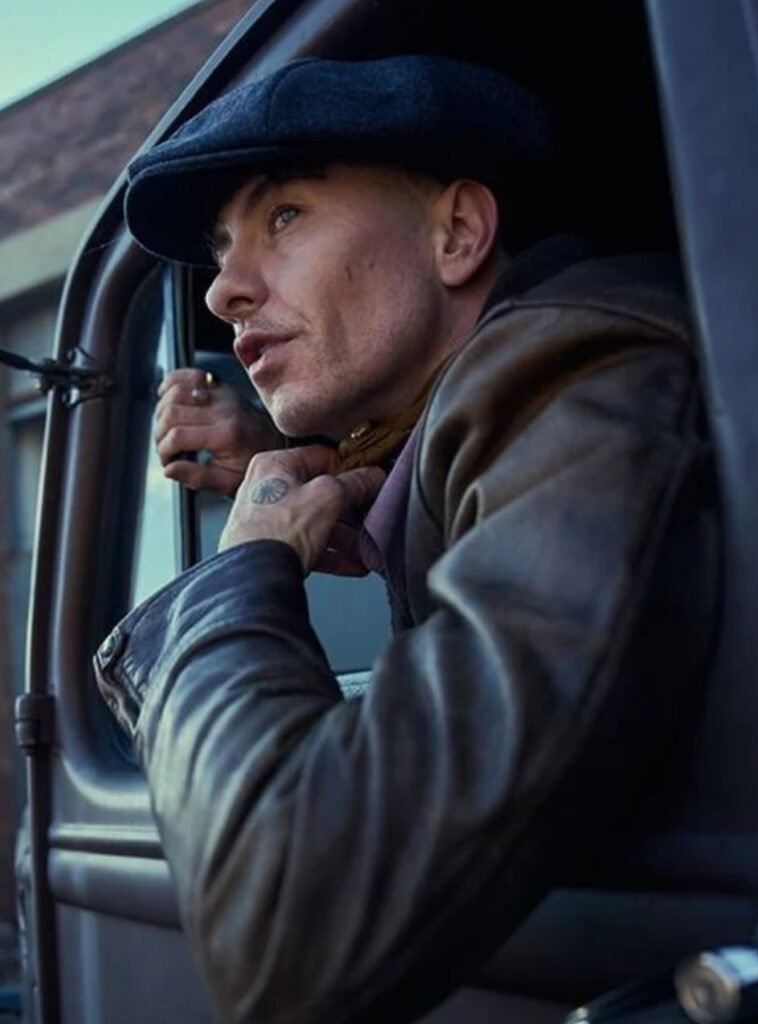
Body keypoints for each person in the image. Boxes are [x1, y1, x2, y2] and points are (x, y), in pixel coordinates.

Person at [94, 55, 719, 1024]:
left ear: (457, 233)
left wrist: (242, 567)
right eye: (221, 249)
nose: (221, 291)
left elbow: (293, 917)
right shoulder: (511, 396)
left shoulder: (577, 374)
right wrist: (305, 463)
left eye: (285, 215)